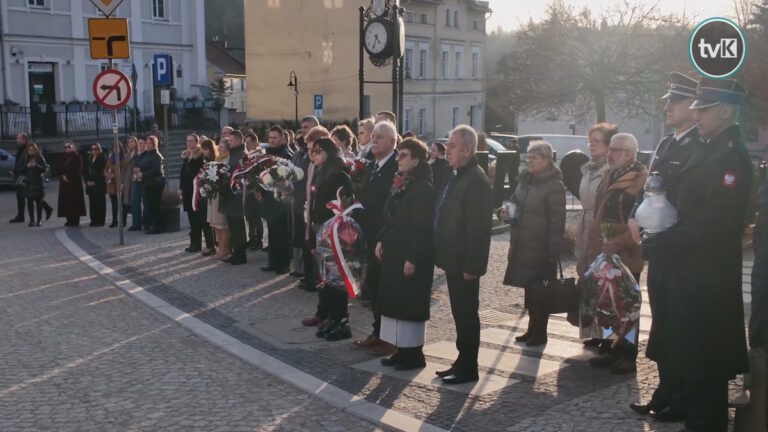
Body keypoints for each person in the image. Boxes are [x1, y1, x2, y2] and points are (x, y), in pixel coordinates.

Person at [654, 79, 751, 432]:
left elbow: (716, 223)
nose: (696, 114)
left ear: (725, 112)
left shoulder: (730, 156)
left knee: (707, 366)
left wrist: (668, 240)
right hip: (692, 273)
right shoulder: (708, 147)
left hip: (708, 275)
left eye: (703, 109)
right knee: (695, 363)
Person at [628, 72, 701, 421]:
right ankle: (665, 390)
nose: (669, 107)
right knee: (662, 325)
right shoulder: (666, 144)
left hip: (681, 251)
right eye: (668, 101)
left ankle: (682, 396)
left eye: (677, 101)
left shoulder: (698, 147)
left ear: (695, 106)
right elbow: (649, 189)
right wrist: (633, 215)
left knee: (679, 326)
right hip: (658, 249)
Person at [433, 125, 493, 385]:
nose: (447, 150)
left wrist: (473, 265)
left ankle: (469, 367)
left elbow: (479, 229)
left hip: (464, 262)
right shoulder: (457, 174)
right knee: (459, 312)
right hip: (453, 257)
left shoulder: (476, 180)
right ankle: (461, 361)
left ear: (468, 149)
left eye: (452, 146)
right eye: (447, 145)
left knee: (467, 313)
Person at [584, 133, 648, 374]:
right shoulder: (612, 174)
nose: (609, 154)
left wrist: (618, 243)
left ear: (628, 154)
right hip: (606, 248)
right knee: (608, 303)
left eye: (614, 150)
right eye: (609, 149)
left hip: (628, 252)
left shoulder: (641, 178)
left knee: (627, 305)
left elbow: (642, 220)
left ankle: (627, 355)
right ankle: (612, 348)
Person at [376, 138, 436, 370]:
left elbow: (422, 227)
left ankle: (413, 353)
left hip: (410, 253)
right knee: (394, 301)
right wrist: (381, 239)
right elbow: (388, 214)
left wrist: (413, 257)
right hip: (394, 250)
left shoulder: (423, 188)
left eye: (403, 156)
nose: (398, 160)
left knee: (409, 303)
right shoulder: (402, 183)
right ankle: (399, 349)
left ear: (416, 160)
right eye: (398, 155)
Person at [500, 141, 566, 347]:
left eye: (534, 157)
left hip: (541, 248)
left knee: (542, 292)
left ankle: (540, 332)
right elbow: (514, 202)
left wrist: (553, 251)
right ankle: (531, 329)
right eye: (528, 157)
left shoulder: (554, 185)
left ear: (546, 160)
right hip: (523, 244)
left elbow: (558, 221)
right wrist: (505, 213)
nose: (529, 161)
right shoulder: (525, 180)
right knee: (530, 290)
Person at [352, 121, 399, 356]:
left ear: (393, 142)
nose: (374, 140)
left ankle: (388, 337)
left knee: (384, 288)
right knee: (373, 286)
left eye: (380, 137)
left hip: (386, 236)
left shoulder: (397, 167)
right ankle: (377, 331)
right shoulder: (372, 166)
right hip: (369, 234)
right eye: (374, 136)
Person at [575, 122, 618, 344]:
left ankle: (606, 335)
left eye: (597, 141)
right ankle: (591, 331)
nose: (591, 145)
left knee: (602, 280)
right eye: (589, 141)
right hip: (585, 224)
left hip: (600, 227)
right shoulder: (587, 168)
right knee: (587, 278)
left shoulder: (608, 171)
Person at [308, 138, 354, 341]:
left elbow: (344, 206)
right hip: (320, 227)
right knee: (326, 279)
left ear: (329, 151)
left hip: (334, 231)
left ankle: (341, 322)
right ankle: (332, 319)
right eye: (313, 151)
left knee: (336, 280)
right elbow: (315, 204)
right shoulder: (322, 171)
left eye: (318, 151)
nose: (314, 155)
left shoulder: (339, 173)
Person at [255, 125, 293, 273]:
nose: (271, 140)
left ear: (282, 139)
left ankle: (283, 264)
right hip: (268, 198)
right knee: (271, 231)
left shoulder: (286, 154)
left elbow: (290, 177)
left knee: (281, 232)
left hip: (282, 199)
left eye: (274, 138)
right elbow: (259, 174)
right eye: (270, 138)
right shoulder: (266, 154)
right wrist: (257, 189)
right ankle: (273, 261)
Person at [219, 130, 247, 265]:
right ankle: (235, 252)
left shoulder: (242, 155)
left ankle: (240, 255)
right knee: (233, 227)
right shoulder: (233, 154)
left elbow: (241, 175)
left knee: (238, 228)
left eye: (231, 141)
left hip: (236, 197)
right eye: (228, 141)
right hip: (229, 196)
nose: (228, 143)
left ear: (238, 140)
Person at [180, 134, 213, 253]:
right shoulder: (187, 155)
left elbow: (198, 173)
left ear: (197, 142)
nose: (189, 143)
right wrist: (180, 188)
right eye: (187, 141)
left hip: (196, 191)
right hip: (187, 190)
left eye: (191, 141)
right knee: (191, 218)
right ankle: (193, 243)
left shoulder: (200, 156)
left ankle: (199, 244)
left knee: (197, 219)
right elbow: (183, 173)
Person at [290, 134, 310, 279]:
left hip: (306, 201)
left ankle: (306, 271)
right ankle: (299, 268)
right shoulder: (298, 154)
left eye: (306, 128)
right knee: (297, 236)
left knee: (307, 239)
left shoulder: (310, 156)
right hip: (296, 200)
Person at [137, 136, 165, 234]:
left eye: (150, 143)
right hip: (148, 183)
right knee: (149, 205)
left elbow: (157, 170)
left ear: (154, 144)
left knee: (154, 205)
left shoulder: (156, 155)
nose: (148, 145)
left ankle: (157, 226)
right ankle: (153, 225)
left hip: (155, 183)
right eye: (147, 143)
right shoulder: (147, 154)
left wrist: (143, 174)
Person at [210, 139, 232, 260]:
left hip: (222, 195)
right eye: (219, 146)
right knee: (216, 224)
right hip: (214, 194)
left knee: (223, 224)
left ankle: (225, 249)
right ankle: (220, 248)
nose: (220, 149)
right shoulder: (217, 159)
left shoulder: (228, 160)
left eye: (223, 147)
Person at [18, 142, 48, 227]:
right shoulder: (25, 158)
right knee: (30, 203)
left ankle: (39, 220)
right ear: (27, 150)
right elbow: (20, 169)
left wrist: (36, 166)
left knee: (39, 203)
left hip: (38, 183)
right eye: (30, 150)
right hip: (28, 183)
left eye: (33, 150)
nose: (31, 151)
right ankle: (32, 220)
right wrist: (27, 166)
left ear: (36, 150)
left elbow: (44, 168)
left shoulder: (39, 157)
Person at [58, 141, 86, 227]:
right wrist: (63, 175)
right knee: (66, 201)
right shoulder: (63, 157)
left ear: (73, 147)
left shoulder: (77, 156)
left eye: (69, 147)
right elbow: (59, 168)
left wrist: (68, 176)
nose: (67, 149)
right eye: (65, 147)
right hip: (64, 183)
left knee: (75, 201)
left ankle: (75, 220)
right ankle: (69, 219)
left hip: (74, 182)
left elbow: (78, 168)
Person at [244, 132, 264, 251]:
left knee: (256, 217)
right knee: (250, 217)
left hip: (256, 189)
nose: (247, 145)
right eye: (245, 143)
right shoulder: (248, 155)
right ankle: (251, 238)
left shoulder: (259, 155)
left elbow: (259, 173)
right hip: (248, 188)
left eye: (249, 143)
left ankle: (258, 240)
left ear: (255, 142)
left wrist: (257, 189)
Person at [84, 142, 107, 227]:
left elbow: (102, 172)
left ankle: (101, 220)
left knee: (100, 203)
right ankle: (93, 220)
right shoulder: (89, 159)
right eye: (92, 149)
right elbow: (85, 171)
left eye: (95, 149)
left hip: (99, 184)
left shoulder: (102, 158)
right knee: (92, 203)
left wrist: (95, 181)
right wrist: (87, 181)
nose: (93, 151)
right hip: (90, 184)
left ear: (99, 149)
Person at [104, 141, 126, 228]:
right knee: (114, 204)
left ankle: (123, 221)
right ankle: (114, 221)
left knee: (122, 203)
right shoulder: (110, 158)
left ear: (121, 149)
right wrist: (107, 174)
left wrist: (114, 175)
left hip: (119, 183)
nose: (115, 149)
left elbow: (124, 171)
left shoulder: (123, 159)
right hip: (111, 184)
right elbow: (105, 169)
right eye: (114, 148)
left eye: (117, 148)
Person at [128, 137, 146, 231]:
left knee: (146, 204)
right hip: (136, 180)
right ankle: (136, 224)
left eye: (142, 143)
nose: (140, 145)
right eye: (139, 143)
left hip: (145, 181)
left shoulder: (147, 154)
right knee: (135, 203)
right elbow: (134, 166)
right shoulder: (137, 154)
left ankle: (146, 223)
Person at [121, 137, 139, 228]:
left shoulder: (138, 153)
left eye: (132, 142)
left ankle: (136, 222)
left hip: (134, 180)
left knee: (134, 201)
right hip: (127, 180)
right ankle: (126, 222)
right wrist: (122, 182)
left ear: (136, 143)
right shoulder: (127, 155)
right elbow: (123, 169)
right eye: (129, 142)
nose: (130, 144)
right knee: (126, 201)